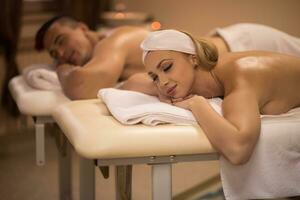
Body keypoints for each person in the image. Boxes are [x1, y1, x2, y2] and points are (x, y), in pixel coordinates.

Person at [137, 29, 300, 165]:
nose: (163, 82)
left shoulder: (240, 76)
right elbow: (133, 82)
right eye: (155, 77)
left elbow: (239, 151)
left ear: (193, 58)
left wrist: (197, 104)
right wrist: (159, 89)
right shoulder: (200, 75)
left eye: (167, 67)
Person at [35, 16, 300, 99]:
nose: (60, 54)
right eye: (54, 54)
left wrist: (64, 68)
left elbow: (81, 85)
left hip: (243, 46)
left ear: (82, 28)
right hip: (234, 49)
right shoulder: (107, 53)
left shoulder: (113, 41)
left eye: (61, 42)